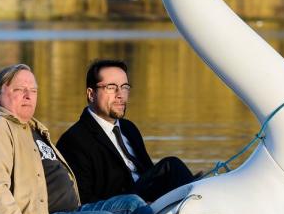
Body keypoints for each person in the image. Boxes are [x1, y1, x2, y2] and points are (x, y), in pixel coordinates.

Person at [0, 64, 153, 214]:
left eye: (33, 91)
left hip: (72, 212)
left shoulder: (32, 128)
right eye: (19, 90)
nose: (28, 96)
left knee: (133, 205)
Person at [57, 60, 197, 204]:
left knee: (195, 183)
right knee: (170, 167)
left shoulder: (129, 128)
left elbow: (149, 173)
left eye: (124, 87)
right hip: (118, 210)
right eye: (111, 87)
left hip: (149, 202)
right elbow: (83, 200)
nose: (120, 95)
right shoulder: (73, 140)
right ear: (91, 94)